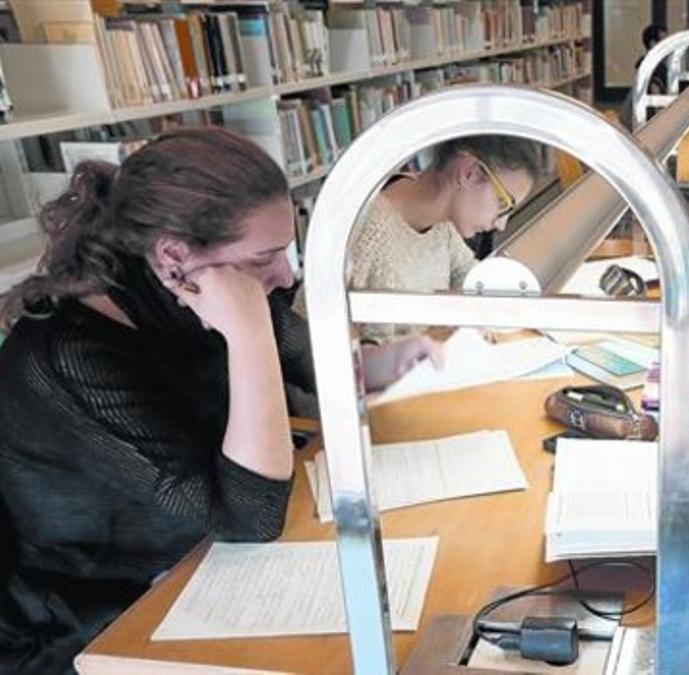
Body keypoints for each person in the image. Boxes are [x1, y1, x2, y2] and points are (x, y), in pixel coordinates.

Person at [0, 127, 435, 673]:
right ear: (174, 256)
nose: (286, 275)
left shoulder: (199, 286)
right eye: (265, 258)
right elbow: (250, 516)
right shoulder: (68, 357)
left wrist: (394, 360)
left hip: (209, 571)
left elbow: (315, 364)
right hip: (97, 621)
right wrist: (249, 335)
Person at [348, 135, 541, 342]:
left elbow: (465, 274)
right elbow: (353, 350)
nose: (501, 224)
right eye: (503, 204)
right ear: (470, 173)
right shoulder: (369, 232)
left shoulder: (443, 220)